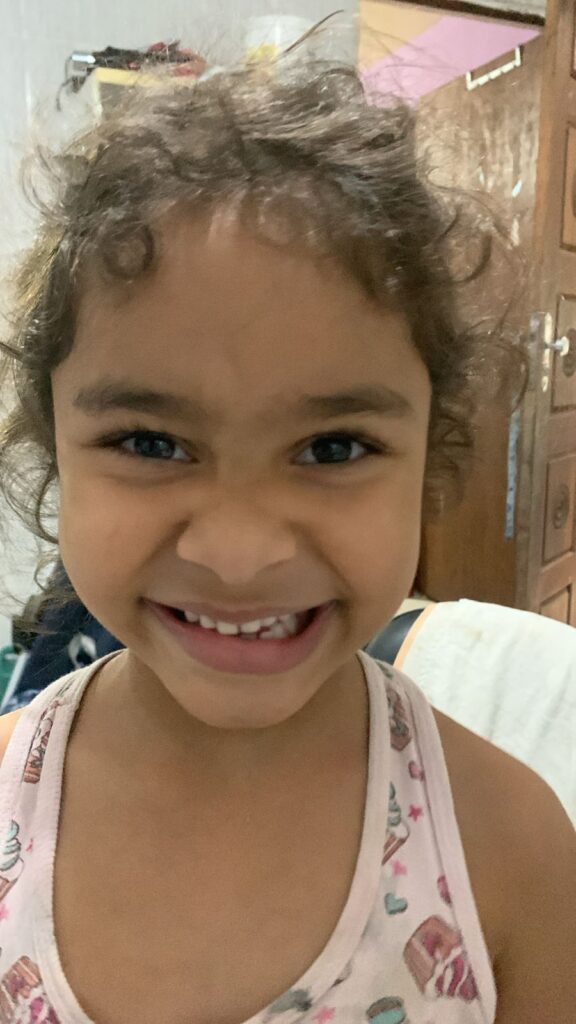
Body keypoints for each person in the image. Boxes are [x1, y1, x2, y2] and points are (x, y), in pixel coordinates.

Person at [0, 58, 573, 1024]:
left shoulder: (509, 851)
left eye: (333, 448)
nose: (240, 553)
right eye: (151, 443)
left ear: (430, 455)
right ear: (52, 446)